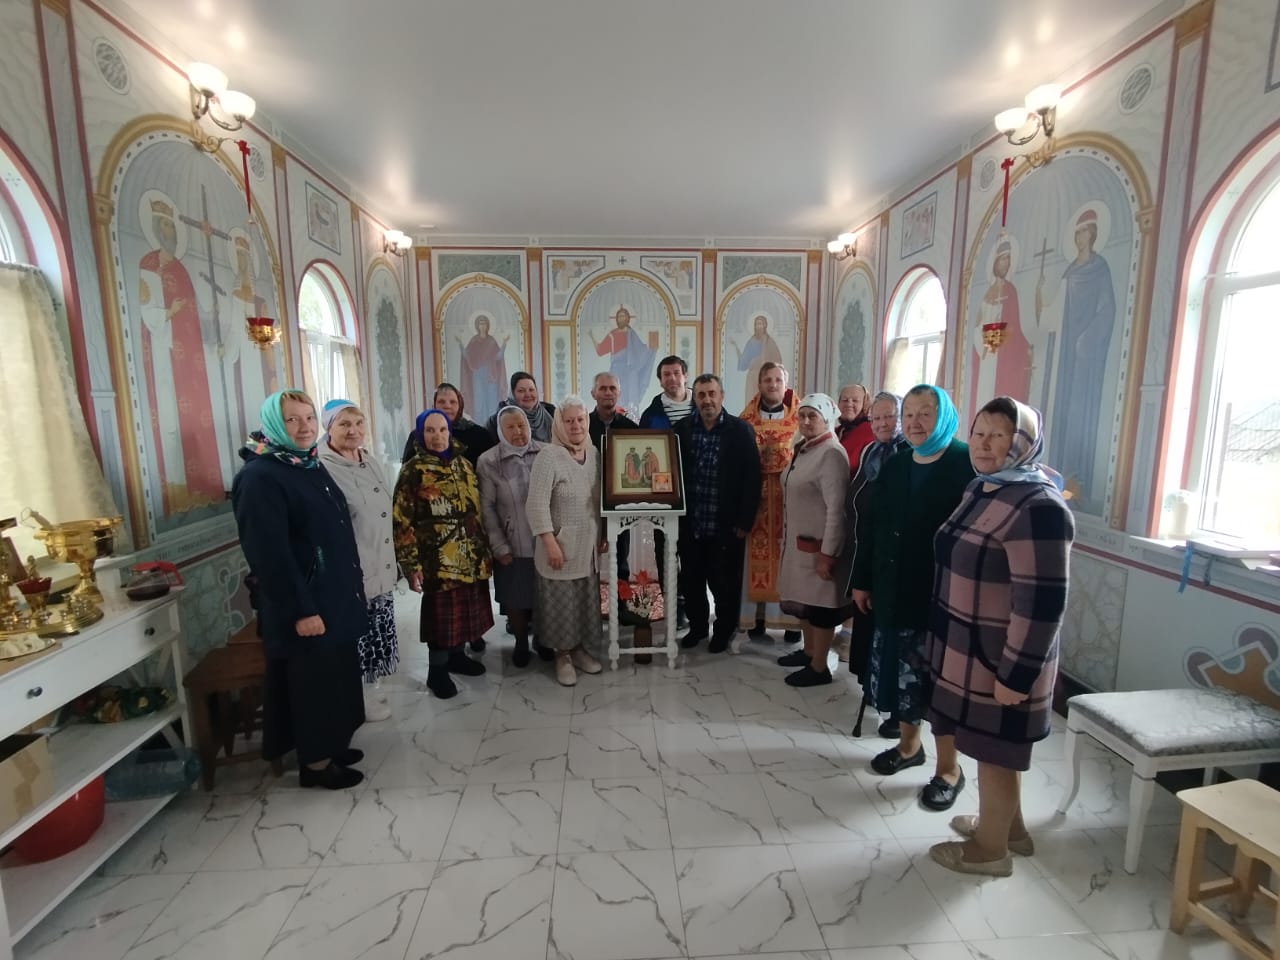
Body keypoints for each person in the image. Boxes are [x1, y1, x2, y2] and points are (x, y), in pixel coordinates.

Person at [927, 397, 1074, 876]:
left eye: (999, 436)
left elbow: (1043, 603)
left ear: (1023, 443)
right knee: (992, 748)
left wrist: (1017, 673)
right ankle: (1011, 830)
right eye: (979, 433)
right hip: (968, 650)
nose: (984, 444)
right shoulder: (986, 488)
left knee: (996, 751)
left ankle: (990, 852)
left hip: (1001, 658)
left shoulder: (1040, 506)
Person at [231, 390, 367, 789]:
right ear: (275, 424)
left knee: (336, 675)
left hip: (333, 595)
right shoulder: (260, 477)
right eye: (292, 419)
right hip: (305, 602)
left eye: (308, 417)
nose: (304, 426)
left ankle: (335, 744)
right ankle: (316, 764)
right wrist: (301, 610)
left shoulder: (305, 463)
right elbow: (269, 555)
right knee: (312, 684)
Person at [850, 384, 974, 811]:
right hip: (893, 589)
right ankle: (909, 747)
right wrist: (862, 580)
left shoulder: (965, 464)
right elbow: (873, 527)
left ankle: (949, 770)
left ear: (945, 417)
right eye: (910, 414)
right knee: (903, 676)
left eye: (926, 413)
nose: (915, 422)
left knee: (940, 684)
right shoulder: (898, 463)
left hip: (943, 596)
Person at [393, 409, 492, 699]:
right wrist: (410, 564)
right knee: (441, 618)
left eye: (443, 430)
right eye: (430, 430)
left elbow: (477, 509)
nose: (437, 436)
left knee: (465, 613)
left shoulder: (464, 464)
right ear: (420, 434)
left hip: (470, 555)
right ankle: (436, 671)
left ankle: (457, 657)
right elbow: (401, 521)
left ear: (450, 432)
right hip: (438, 559)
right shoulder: (413, 470)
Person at [318, 399, 399, 723]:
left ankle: (371, 687)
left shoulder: (370, 460)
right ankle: (356, 697)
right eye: (344, 424)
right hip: (353, 568)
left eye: (359, 423)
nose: (353, 431)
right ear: (329, 428)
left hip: (380, 561)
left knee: (377, 630)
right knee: (357, 637)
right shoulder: (322, 467)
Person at [1034, 208, 1116, 505]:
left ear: (1093, 234)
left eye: (1086, 231)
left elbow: (1107, 311)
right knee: (1059, 410)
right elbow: (1052, 314)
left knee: (1080, 412)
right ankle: (1059, 476)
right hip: (1064, 361)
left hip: (1085, 361)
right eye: (1078, 232)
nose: (1081, 236)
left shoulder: (1100, 269)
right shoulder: (1069, 272)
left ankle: (1075, 481)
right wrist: (1041, 297)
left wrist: (1086, 338)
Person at [675, 374, 761, 652]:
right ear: (694, 398)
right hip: (691, 523)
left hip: (726, 524)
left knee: (724, 583)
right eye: (701, 395)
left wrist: (745, 520)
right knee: (692, 581)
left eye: (712, 393)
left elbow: (752, 478)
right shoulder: (682, 429)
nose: (707, 400)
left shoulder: (740, 430)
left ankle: (723, 631)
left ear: (722, 396)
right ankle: (698, 628)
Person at [842, 392, 910, 733]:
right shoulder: (871, 450)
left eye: (890, 417)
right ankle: (872, 689)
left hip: (896, 560)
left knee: (894, 638)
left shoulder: (908, 455)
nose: (882, 423)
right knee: (868, 629)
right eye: (877, 417)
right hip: (866, 550)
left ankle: (899, 711)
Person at [526, 396, 605, 686]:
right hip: (559, 546)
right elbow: (536, 504)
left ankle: (579, 650)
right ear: (559, 424)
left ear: (587, 421)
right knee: (561, 605)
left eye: (580, 419)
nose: (575, 426)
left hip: (588, 546)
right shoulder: (549, 456)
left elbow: (600, 499)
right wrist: (549, 542)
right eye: (569, 421)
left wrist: (603, 535)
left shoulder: (594, 453)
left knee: (582, 602)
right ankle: (563, 656)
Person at [776, 394, 852, 686]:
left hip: (819, 546)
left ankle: (819, 667)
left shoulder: (831, 454)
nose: (806, 422)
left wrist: (828, 554)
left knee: (821, 608)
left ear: (827, 419)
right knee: (805, 602)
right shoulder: (806, 448)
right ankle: (809, 652)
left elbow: (837, 510)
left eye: (813, 416)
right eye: (802, 415)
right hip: (799, 542)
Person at [477, 406, 549, 668]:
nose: (518, 431)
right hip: (511, 542)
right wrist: (499, 545)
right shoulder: (488, 461)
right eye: (511, 427)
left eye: (522, 425)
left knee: (544, 597)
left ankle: (542, 639)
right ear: (500, 430)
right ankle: (520, 642)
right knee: (516, 598)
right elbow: (486, 508)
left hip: (545, 542)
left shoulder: (546, 452)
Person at [737, 362, 802, 645]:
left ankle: (792, 620)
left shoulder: (802, 418)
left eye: (777, 380)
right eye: (767, 380)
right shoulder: (745, 420)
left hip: (789, 500)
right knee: (754, 561)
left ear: (785, 384)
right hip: (757, 499)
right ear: (760, 384)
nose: (773, 384)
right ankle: (758, 618)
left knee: (789, 560)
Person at [588, 371, 638, 581]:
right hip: (588, 497)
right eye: (603, 388)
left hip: (620, 499)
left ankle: (622, 596)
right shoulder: (583, 425)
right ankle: (589, 598)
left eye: (612, 388)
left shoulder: (631, 428)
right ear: (593, 393)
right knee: (589, 552)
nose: (608, 393)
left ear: (619, 393)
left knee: (621, 554)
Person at [402, 383, 496, 468]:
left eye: (453, 402)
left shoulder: (480, 435)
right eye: (441, 402)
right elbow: (407, 473)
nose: (447, 406)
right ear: (434, 406)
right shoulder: (417, 436)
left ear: (460, 406)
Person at [590, 305, 655, 415]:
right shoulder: (612, 335)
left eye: (624, 316)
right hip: (617, 371)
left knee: (632, 397)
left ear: (628, 318)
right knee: (617, 395)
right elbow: (600, 351)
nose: (621, 319)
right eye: (619, 316)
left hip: (631, 372)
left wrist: (652, 348)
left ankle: (632, 417)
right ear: (616, 319)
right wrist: (592, 337)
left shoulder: (632, 334)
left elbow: (641, 351)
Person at [457, 314, 508, 426]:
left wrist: (504, 344)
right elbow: (467, 356)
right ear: (477, 326)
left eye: (484, 323)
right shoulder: (474, 341)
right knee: (478, 399)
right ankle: (479, 425)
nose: (482, 326)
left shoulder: (492, 341)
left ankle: (492, 424)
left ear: (488, 325)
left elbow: (498, 357)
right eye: (480, 323)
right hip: (477, 374)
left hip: (491, 375)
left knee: (491, 399)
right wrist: (460, 344)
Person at [487, 371, 556, 443]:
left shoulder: (550, 411)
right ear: (512, 394)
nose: (527, 395)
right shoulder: (496, 421)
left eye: (531, 390)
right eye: (521, 391)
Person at [731, 314, 783, 401]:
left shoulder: (769, 342)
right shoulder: (751, 342)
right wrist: (736, 348)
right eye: (756, 324)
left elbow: (778, 361)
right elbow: (744, 362)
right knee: (751, 401)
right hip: (752, 377)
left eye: (760, 324)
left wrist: (765, 364)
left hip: (765, 377)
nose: (758, 326)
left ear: (765, 326)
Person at [639, 355, 693, 429]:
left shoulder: (702, 404)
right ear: (660, 381)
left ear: (685, 377)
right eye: (667, 374)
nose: (672, 378)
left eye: (676, 373)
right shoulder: (650, 416)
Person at [835, 383, 875, 471]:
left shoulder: (870, 430)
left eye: (855, 400)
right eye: (845, 400)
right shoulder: (835, 431)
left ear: (865, 405)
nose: (849, 404)